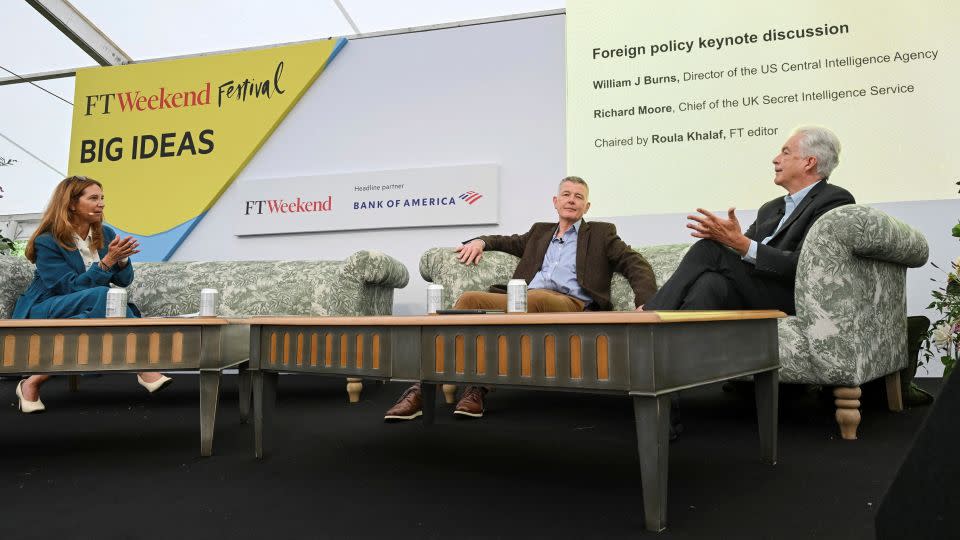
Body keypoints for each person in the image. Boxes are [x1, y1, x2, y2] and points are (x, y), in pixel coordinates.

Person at [385, 176, 657, 421]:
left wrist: (646, 300)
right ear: (555, 201)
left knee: (533, 300)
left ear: (587, 207)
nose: (572, 200)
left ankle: (476, 388)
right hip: (522, 298)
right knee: (469, 300)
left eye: (578, 197)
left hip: (567, 304)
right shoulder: (539, 232)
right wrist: (480, 241)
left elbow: (634, 262)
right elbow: (505, 241)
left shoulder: (600, 233)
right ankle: (423, 389)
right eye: (566, 194)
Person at [643, 126, 855, 313]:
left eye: (785, 152)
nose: (775, 159)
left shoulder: (834, 200)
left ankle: (650, 314)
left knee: (709, 249)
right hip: (753, 290)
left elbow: (803, 265)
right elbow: (738, 260)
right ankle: (683, 352)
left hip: (788, 295)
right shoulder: (770, 208)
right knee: (710, 284)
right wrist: (730, 240)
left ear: (809, 162)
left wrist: (738, 243)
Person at [12, 176, 171, 413]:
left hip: (85, 306)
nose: (101, 204)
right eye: (94, 198)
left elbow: (124, 281)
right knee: (104, 296)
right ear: (72, 204)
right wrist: (107, 262)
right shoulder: (48, 241)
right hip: (45, 305)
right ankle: (143, 365)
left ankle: (33, 381)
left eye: (102, 198)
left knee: (103, 304)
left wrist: (122, 259)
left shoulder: (105, 234)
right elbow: (69, 288)